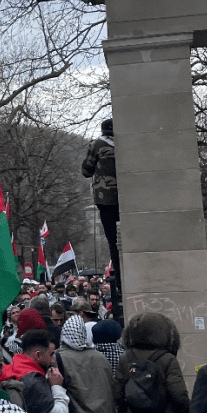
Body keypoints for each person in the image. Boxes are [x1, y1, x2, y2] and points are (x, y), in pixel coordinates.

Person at [81, 119, 120, 291]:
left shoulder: (98, 145)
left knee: (113, 240)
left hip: (105, 198)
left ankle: (118, 280)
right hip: (127, 198)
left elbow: (86, 171)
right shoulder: (128, 143)